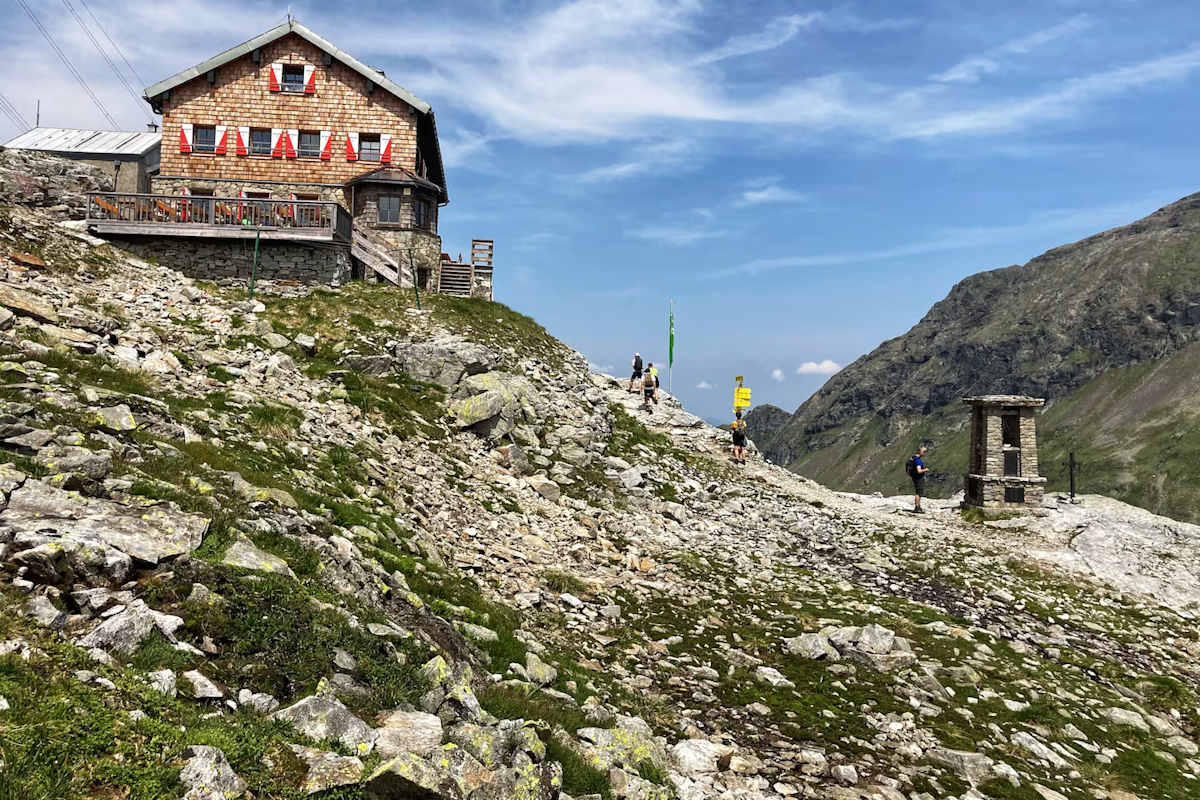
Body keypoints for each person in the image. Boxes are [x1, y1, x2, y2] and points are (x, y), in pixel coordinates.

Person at [907, 446, 929, 513]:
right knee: (918, 493)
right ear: (920, 452)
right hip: (918, 478)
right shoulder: (918, 460)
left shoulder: (912, 458)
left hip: (914, 477)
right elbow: (919, 470)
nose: (924, 453)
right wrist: (925, 469)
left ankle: (918, 506)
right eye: (924, 452)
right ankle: (917, 507)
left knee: (918, 491)